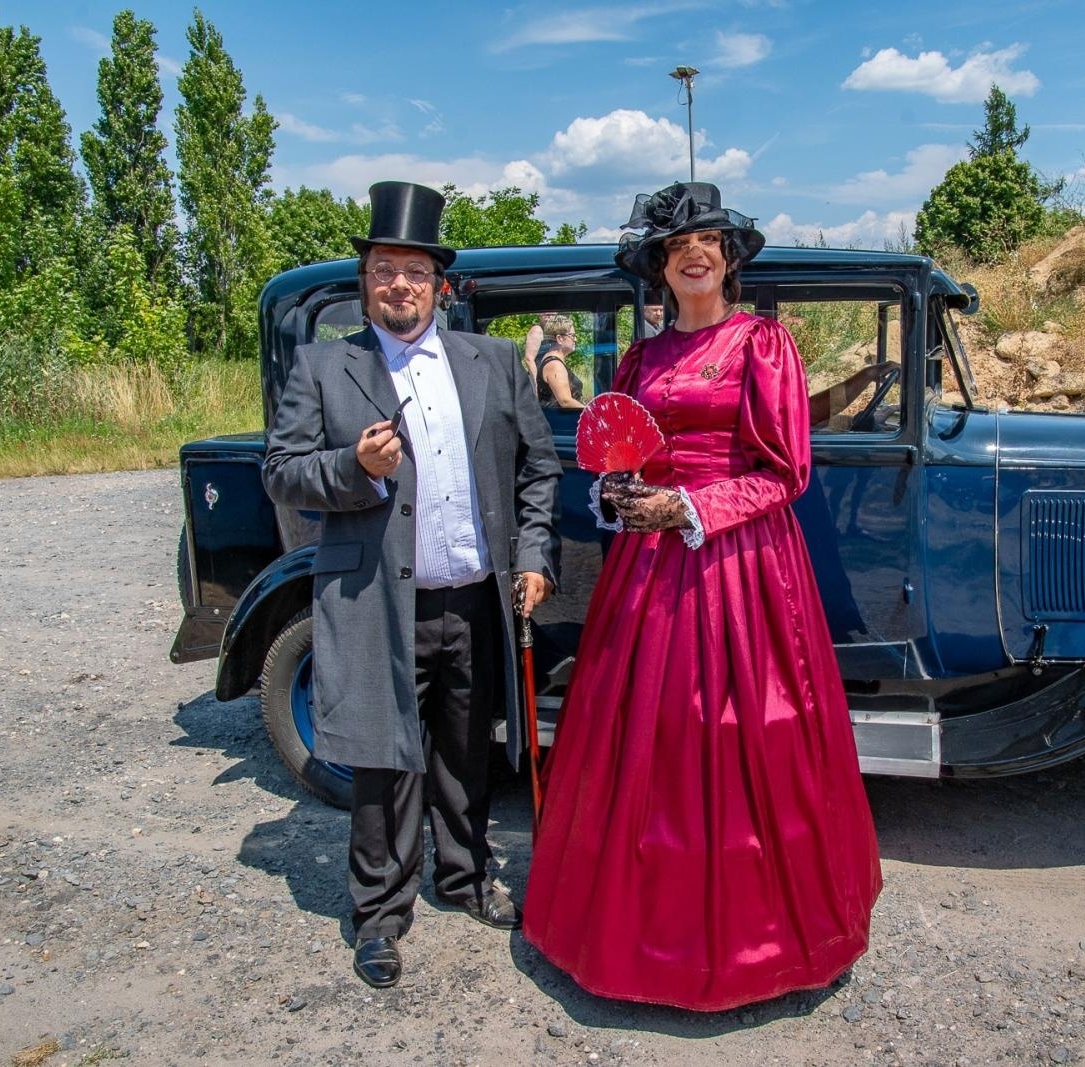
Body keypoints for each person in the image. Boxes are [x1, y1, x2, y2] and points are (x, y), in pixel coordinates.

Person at [522, 181, 881, 1011]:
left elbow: (785, 470)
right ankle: (630, 936)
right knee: (646, 733)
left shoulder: (763, 344)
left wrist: (691, 505)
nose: (695, 253)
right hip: (648, 570)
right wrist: (619, 495)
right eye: (680, 244)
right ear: (659, 263)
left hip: (741, 565)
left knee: (747, 730)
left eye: (710, 242)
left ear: (727, 258)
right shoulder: (640, 358)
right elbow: (624, 447)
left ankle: (772, 942)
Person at [263, 181, 561, 990]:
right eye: (383, 270)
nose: (398, 284)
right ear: (366, 283)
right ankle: (379, 914)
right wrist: (352, 469)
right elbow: (283, 472)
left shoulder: (495, 362)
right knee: (384, 761)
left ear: (441, 286)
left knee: (466, 754)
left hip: (472, 597)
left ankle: (463, 878)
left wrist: (534, 556)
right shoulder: (326, 366)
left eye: (414, 272)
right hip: (376, 604)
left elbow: (539, 469)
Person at [533, 314, 586, 409]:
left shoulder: (553, 360)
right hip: (561, 421)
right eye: (572, 336)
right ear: (559, 339)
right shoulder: (554, 365)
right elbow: (565, 401)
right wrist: (592, 413)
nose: (576, 339)